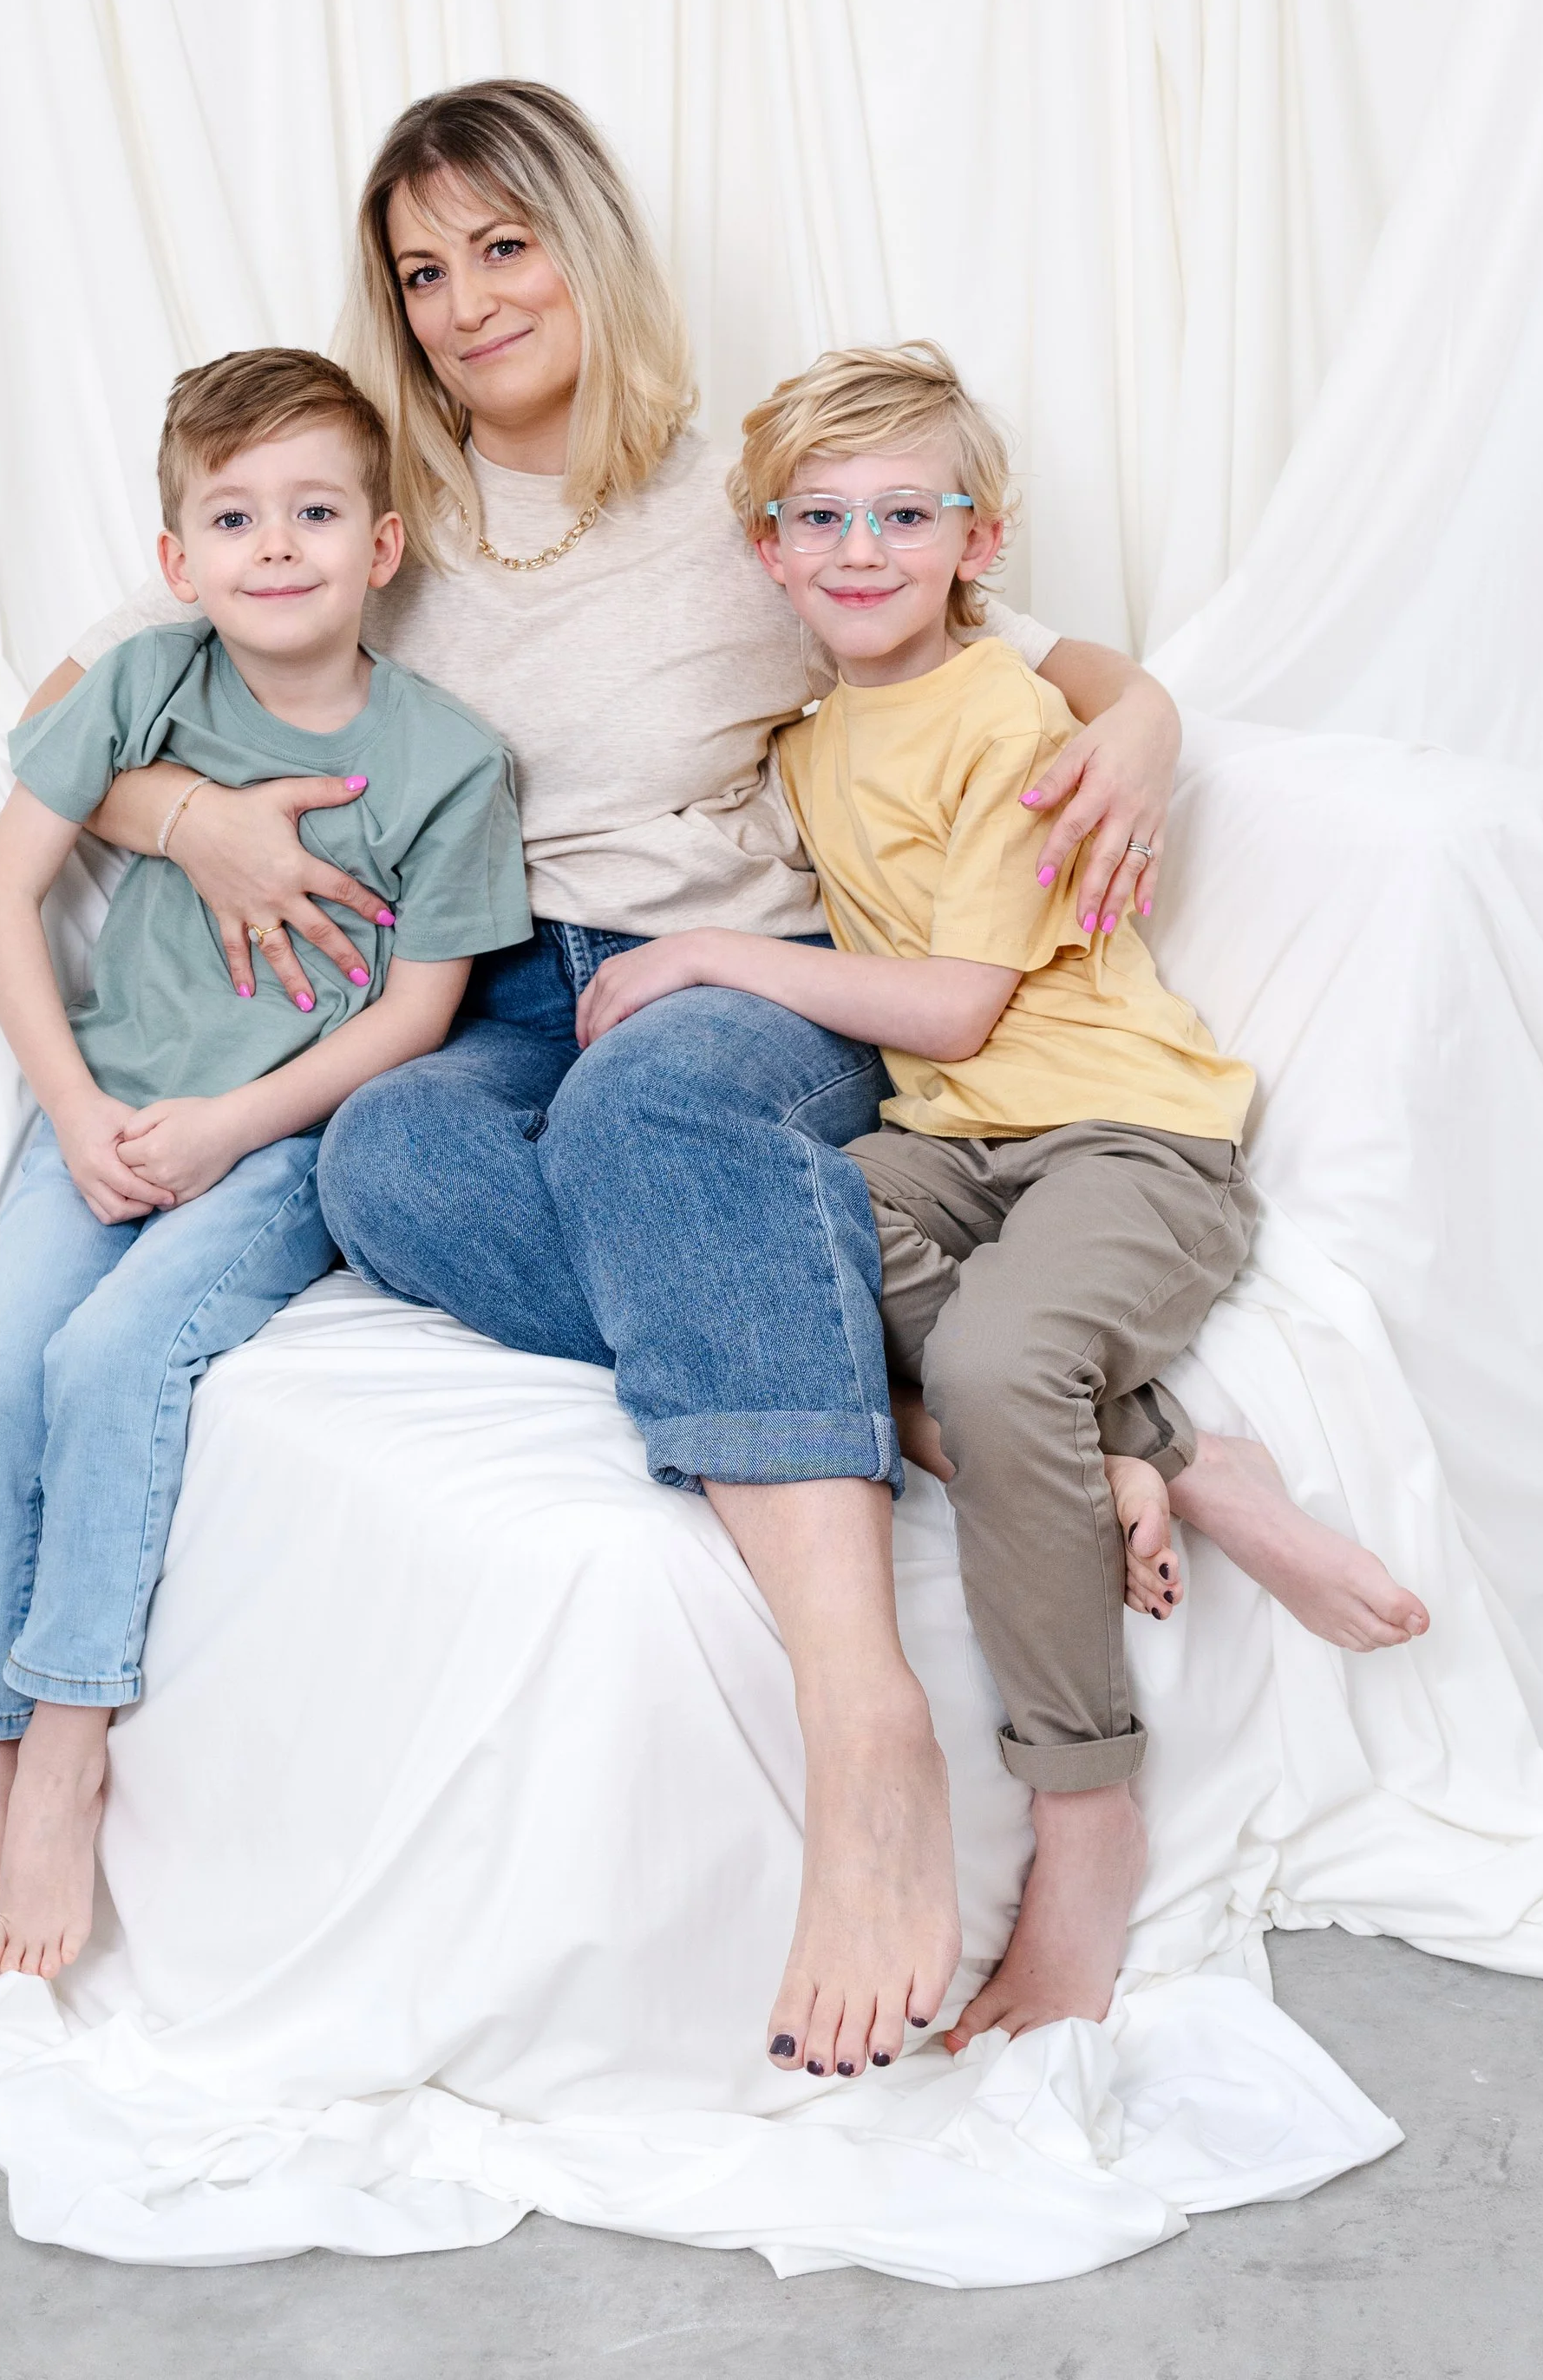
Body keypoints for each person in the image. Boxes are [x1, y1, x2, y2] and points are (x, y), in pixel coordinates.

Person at [24, 81, 1185, 2079]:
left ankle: (865, 1724)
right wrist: (189, 818)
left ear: (586, 246)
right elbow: (62, 716)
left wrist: (1144, 722)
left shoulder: (739, 497)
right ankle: (904, 1402)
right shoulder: (378, 509)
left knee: (648, 1115)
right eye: (421, 271)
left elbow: (1041, 653)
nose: (467, 302)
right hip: (486, 991)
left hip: (734, 984)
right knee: (385, 1159)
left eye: (503, 246)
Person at [574, 339, 1431, 2054]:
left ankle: (1085, 1818)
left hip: (1125, 1136)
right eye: (817, 517)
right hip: (952, 1150)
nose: (859, 548)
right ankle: (1174, 1459)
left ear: (981, 539)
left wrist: (699, 955)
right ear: (763, 549)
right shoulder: (811, 737)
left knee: (982, 1366)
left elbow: (958, 1004)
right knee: (788, 1244)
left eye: (905, 514)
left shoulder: (1006, 715)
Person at [0, 349, 528, 1991]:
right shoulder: (143, 688)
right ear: (177, 559)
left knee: (116, 1357)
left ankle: (67, 1749)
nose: (275, 547)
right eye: (235, 517)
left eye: (315, 513)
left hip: (281, 1145)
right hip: (106, 1111)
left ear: (381, 548)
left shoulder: (450, 761)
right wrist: (73, 1111)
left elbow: (418, 1013)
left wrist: (228, 1129)